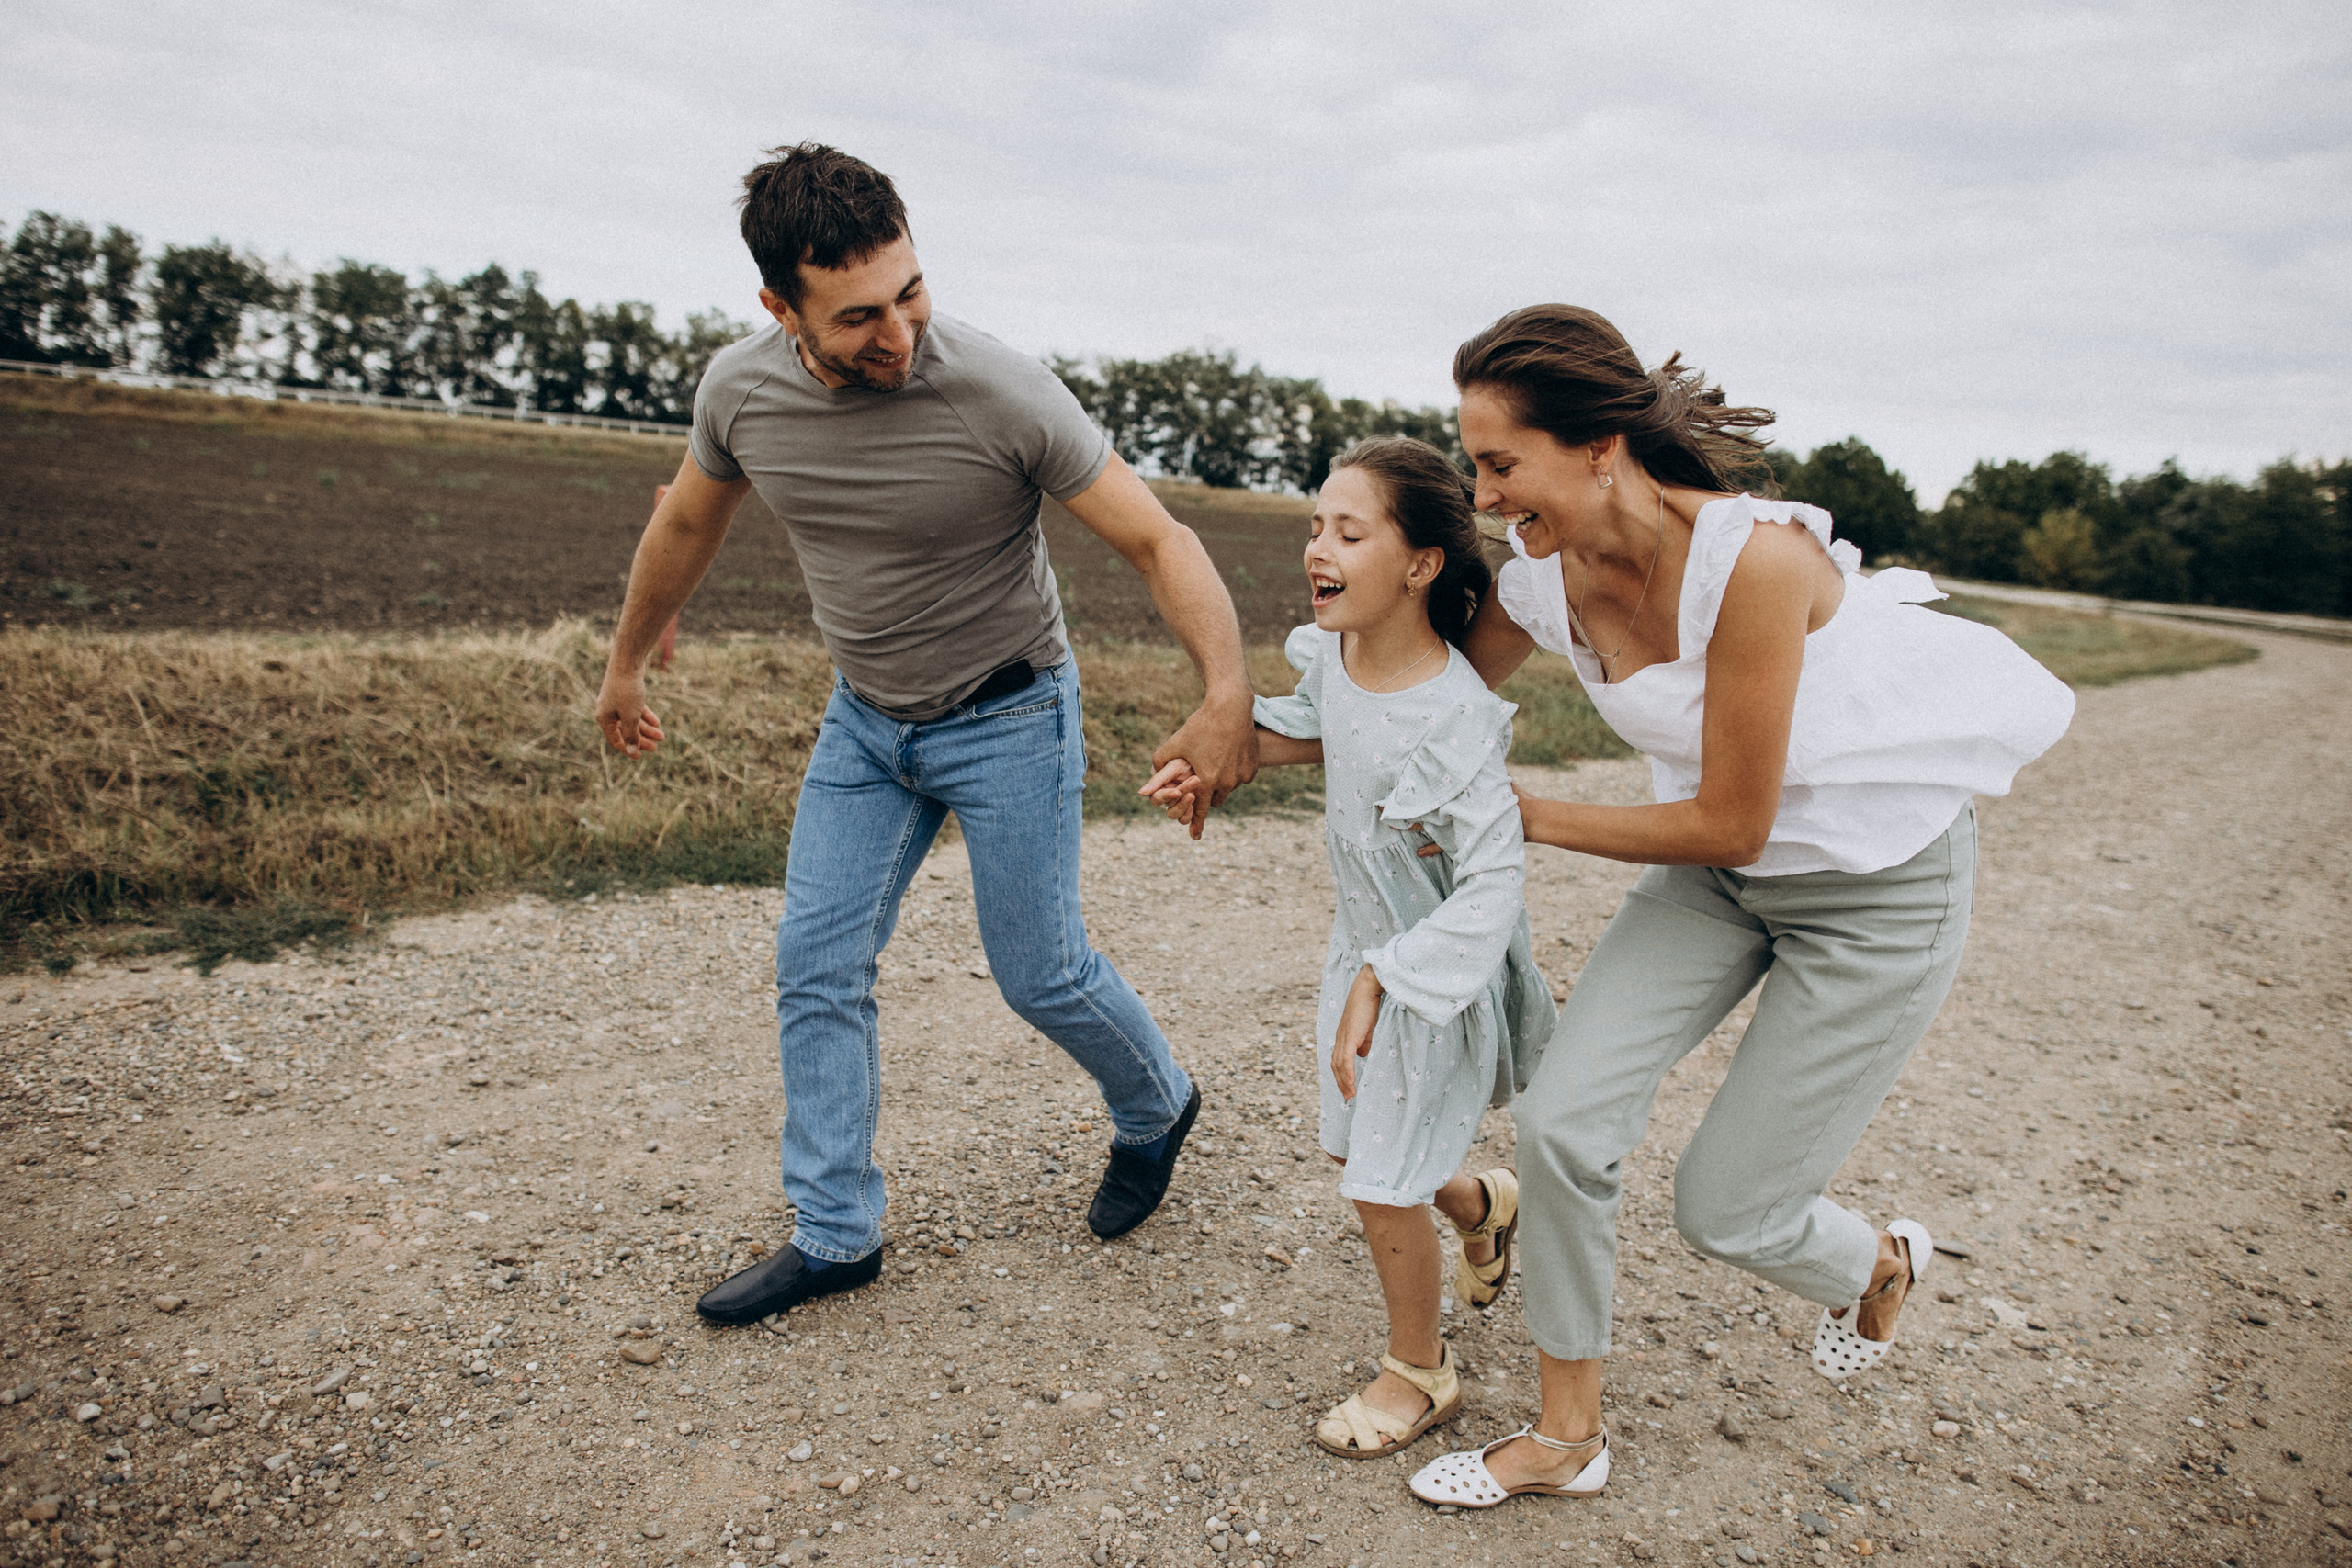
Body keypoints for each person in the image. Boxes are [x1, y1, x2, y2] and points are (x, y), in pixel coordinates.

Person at [1404, 306, 2075, 1510]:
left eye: (1500, 462)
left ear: (1599, 446)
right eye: (1473, 464)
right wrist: (1255, 733)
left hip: (1874, 892)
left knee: (1728, 1210)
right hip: (1718, 885)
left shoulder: (1755, 561)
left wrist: (1524, 814)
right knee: (1559, 1125)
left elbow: (1731, 820)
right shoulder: (1543, 580)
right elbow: (1430, 694)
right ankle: (1566, 1437)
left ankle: (1875, 1264)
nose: (1483, 494)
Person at [592, 143, 1259, 1326]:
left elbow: (1160, 540)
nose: (898, 333)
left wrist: (1224, 694)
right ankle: (835, 1234)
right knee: (815, 966)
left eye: (910, 293)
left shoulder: (1002, 391)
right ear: (780, 310)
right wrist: (626, 661)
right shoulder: (739, 392)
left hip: (1011, 715)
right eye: (858, 317)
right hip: (865, 724)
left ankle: (1157, 1103)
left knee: (1041, 974)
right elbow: (686, 524)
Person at [1147, 437, 1557, 1460]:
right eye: (1315, 527)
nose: (1317, 549)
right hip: (1361, 951)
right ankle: (1481, 1203)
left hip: (1428, 975)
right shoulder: (1338, 657)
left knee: (1378, 1181)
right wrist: (1212, 763)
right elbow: (1313, 730)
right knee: (1357, 1145)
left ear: (1421, 565)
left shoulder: (1458, 716)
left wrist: (1393, 973)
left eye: (1349, 532)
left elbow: (1494, 885)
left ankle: (1420, 1372)